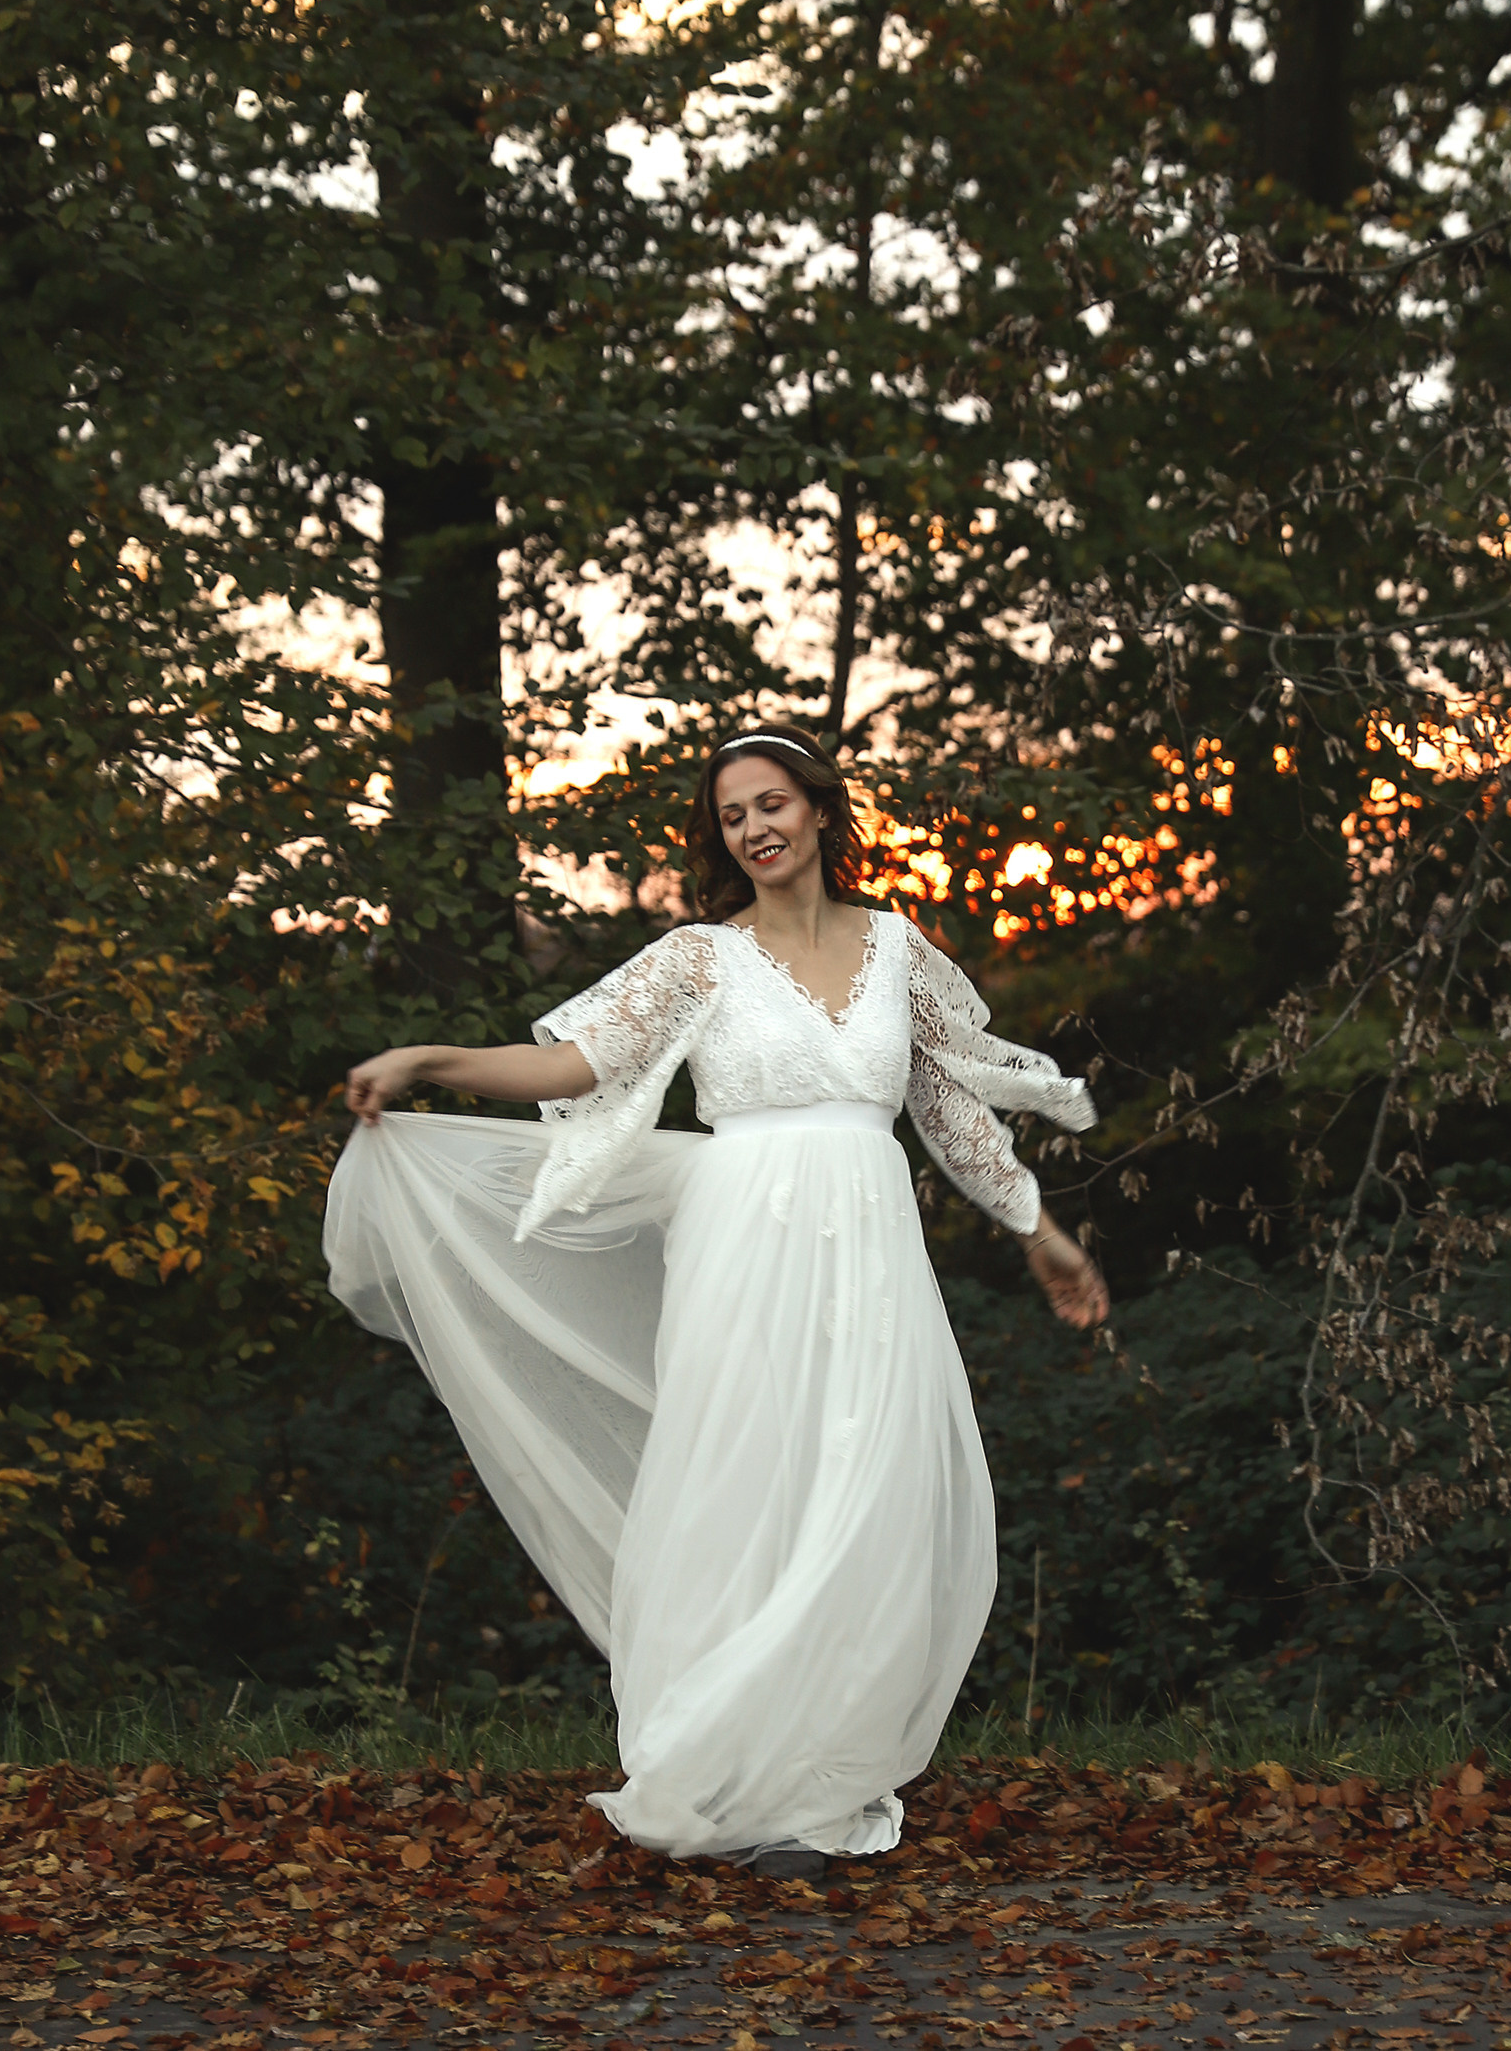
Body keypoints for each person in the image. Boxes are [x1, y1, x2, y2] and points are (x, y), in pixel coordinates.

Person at [323, 725, 1109, 1880]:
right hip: (746, 1244)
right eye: (734, 813)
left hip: (874, 1252)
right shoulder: (699, 960)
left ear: (822, 811)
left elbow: (949, 1114)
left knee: (867, 1489)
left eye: (773, 801)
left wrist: (1039, 1233)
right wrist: (426, 1058)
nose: (755, 826)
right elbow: (571, 1068)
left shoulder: (897, 949)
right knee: (751, 1487)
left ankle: (819, 1779)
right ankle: (728, 1770)